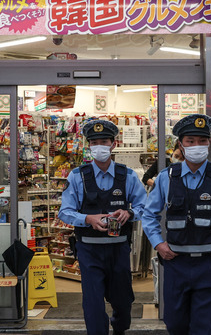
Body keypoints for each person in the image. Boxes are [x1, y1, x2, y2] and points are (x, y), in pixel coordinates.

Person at [142, 114, 211, 335]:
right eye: (190, 141)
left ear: (209, 143)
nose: (197, 146)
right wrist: (158, 244)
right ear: (181, 145)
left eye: (202, 141)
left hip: (210, 265)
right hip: (176, 264)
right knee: (175, 325)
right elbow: (149, 214)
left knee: (204, 327)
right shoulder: (166, 177)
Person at [58, 119, 147, 335]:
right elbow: (65, 212)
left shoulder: (127, 176)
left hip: (119, 249)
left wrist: (130, 212)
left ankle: (119, 328)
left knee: (124, 302)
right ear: (89, 146)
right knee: (93, 303)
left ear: (113, 144)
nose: (100, 146)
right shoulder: (77, 176)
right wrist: (88, 219)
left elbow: (145, 206)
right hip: (89, 250)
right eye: (95, 142)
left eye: (104, 141)